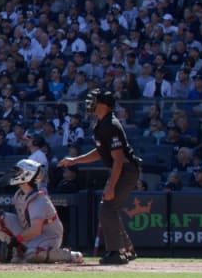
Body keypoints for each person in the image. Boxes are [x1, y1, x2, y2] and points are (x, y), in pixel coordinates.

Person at [57, 89, 140, 265]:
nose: (90, 104)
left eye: (94, 100)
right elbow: (101, 152)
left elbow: (118, 160)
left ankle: (116, 252)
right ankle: (126, 249)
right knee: (109, 208)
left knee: (107, 208)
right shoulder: (101, 124)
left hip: (126, 169)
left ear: (103, 104)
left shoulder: (111, 124)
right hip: (122, 169)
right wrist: (76, 160)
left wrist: (111, 186)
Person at [0, 158, 84, 264]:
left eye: (18, 171)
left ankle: (70, 256)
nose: (15, 174)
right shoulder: (19, 194)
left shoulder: (39, 199)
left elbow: (36, 230)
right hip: (28, 232)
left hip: (49, 236)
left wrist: (14, 241)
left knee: (32, 255)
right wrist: (11, 244)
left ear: (27, 174)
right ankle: (16, 252)